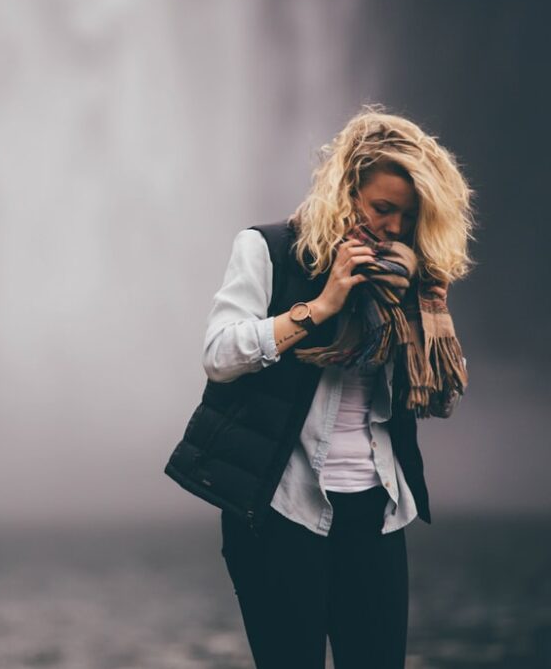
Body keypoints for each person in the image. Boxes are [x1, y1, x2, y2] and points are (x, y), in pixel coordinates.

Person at [164, 106, 475, 669]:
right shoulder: (269, 249)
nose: (395, 229)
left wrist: (417, 318)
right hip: (280, 512)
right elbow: (218, 355)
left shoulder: (412, 281)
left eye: (409, 216)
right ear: (346, 189)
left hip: (377, 515)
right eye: (383, 209)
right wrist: (322, 305)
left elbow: (440, 400)